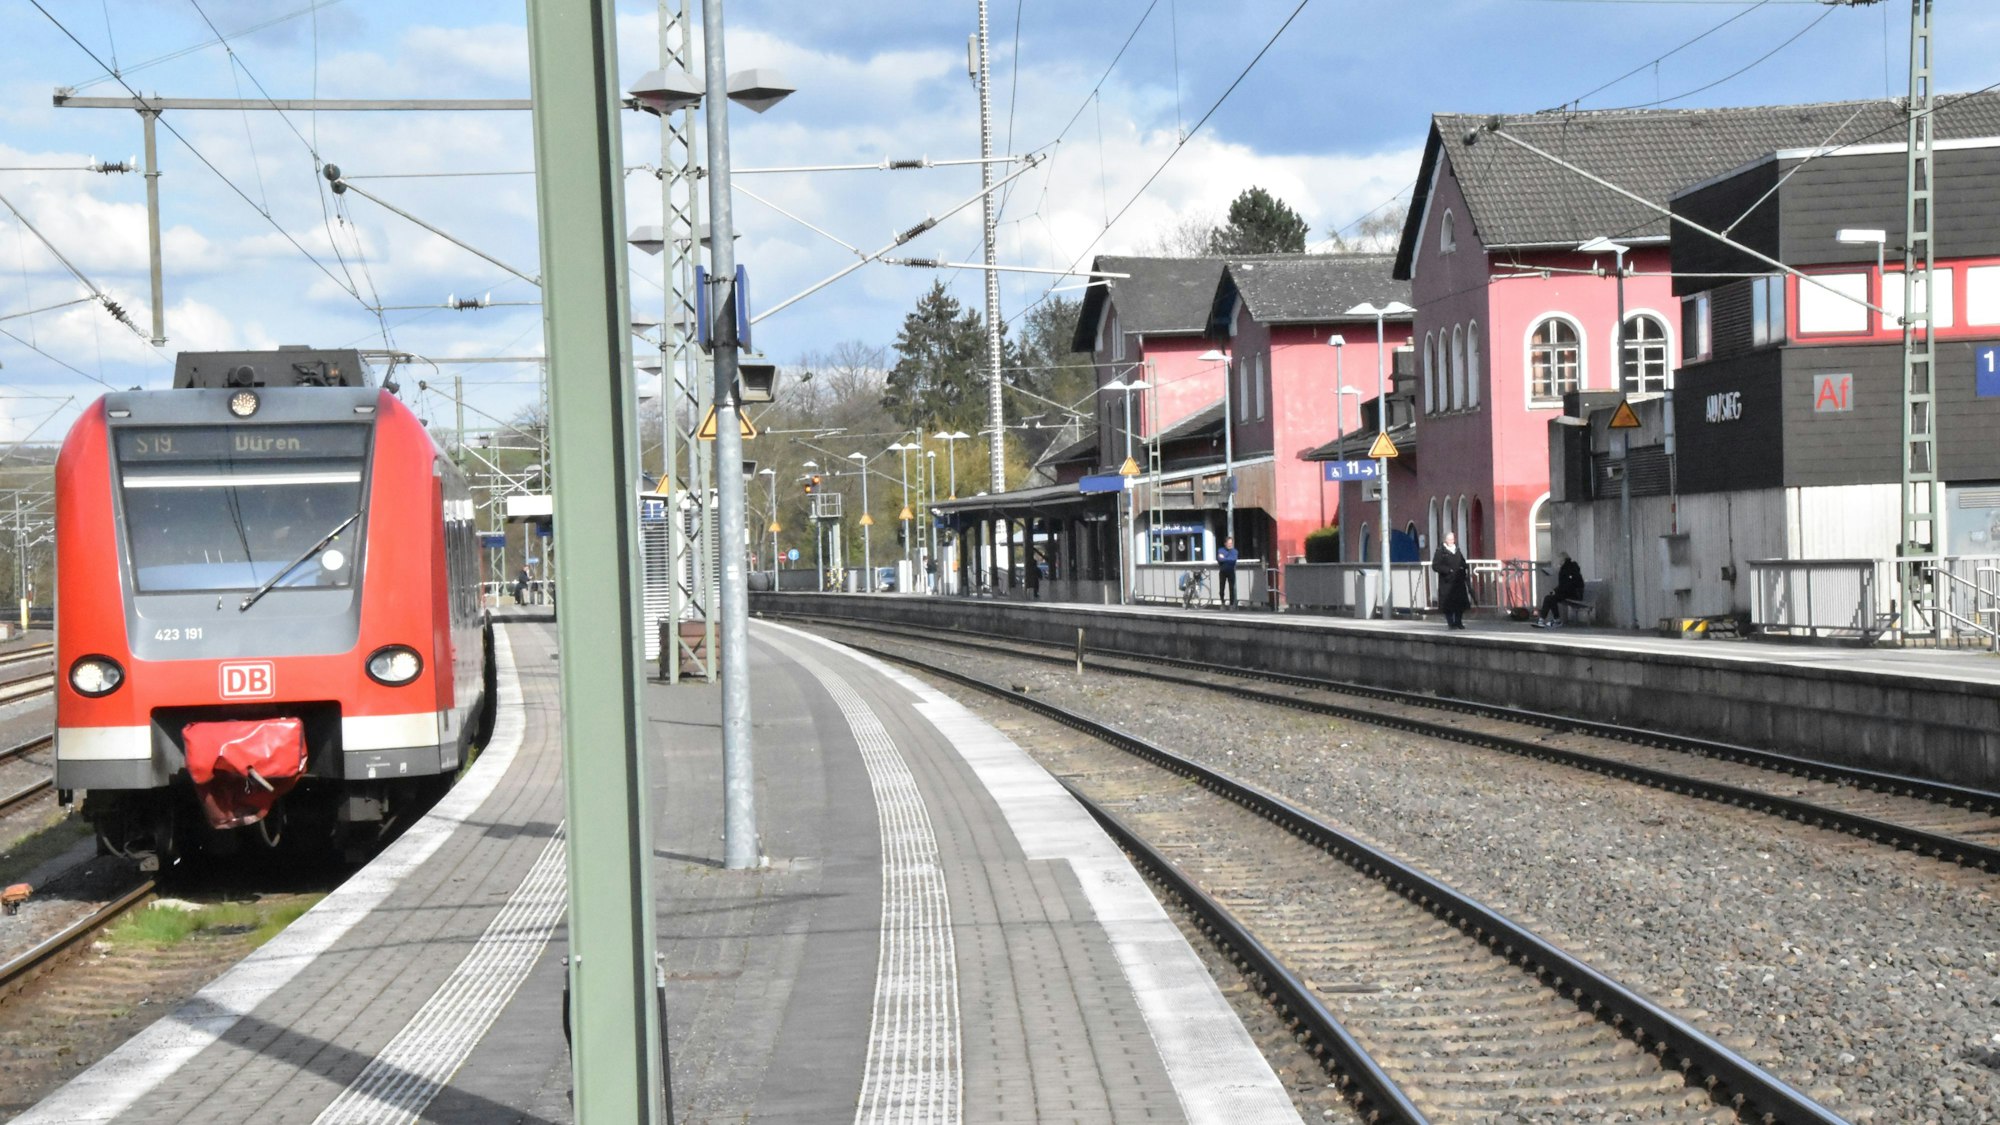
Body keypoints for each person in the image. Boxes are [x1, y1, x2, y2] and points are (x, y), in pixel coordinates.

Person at [1432, 531, 1471, 630]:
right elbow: (1435, 566)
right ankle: (1451, 623)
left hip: (1458, 580)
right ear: (1445, 540)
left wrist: (1463, 567)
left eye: (1452, 539)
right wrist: (1447, 570)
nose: (1451, 541)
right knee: (1448, 604)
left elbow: (1462, 561)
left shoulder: (1457, 550)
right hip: (1447, 582)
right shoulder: (1441, 551)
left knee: (1460, 603)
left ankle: (1459, 622)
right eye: (1449, 539)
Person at [1536, 552, 1585, 628]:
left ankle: (1549, 620)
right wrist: (1555, 591)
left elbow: (1569, 584)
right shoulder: (1566, 568)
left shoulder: (1569, 568)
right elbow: (1564, 585)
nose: (1558, 562)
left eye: (1559, 560)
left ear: (1563, 560)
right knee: (1550, 598)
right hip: (1569, 592)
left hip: (1574, 594)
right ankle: (1550, 620)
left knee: (1550, 598)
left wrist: (1556, 591)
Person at [1217, 537, 1239, 609]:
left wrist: (1224, 558)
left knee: (1231, 588)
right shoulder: (1220, 550)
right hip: (1222, 571)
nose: (1230, 545)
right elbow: (1220, 559)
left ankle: (1231, 604)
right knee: (1221, 588)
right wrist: (1227, 559)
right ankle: (1222, 603)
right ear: (1225, 543)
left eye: (1231, 543)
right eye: (1228, 543)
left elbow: (1233, 560)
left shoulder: (1235, 551)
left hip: (1231, 571)